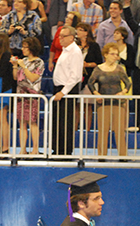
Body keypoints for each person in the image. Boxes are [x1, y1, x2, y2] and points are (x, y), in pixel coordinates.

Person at [87, 43, 131, 157]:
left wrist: (122, 92)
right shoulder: (98, 69)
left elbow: (128, 83)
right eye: (112, 54)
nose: (115, 56)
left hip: (118, 103)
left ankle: (123, 155)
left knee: (119, 130)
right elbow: (90, 83)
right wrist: (96, 94)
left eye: (116, 54)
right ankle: (102, 155)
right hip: (103, 103)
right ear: (105, 55)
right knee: (103, 130)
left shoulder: (119, 69)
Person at [52, 25, 83, 156]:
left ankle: (64, 150)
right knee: (58, 121)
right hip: (60, 88)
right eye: (59, 36)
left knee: (65, 121)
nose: (60, 39)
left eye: (63, 36)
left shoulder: (75, 52)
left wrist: (63, 92)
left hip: (66, 89)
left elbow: (75, 75)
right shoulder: (65, 50)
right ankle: (58, 149)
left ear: (71, 37)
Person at [11, 36, 44, 155]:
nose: (23, 49)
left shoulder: (39, 62)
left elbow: (33, 78)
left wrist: (24, 67)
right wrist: (15, 66)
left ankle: (35, 149)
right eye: (23, 46)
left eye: (25, 47)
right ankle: (23, 149)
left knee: (32, 122)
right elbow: (16, 78)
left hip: (32, 95)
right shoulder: (23, 60)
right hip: (21, 94)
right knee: (22, 122)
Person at [76, 22, 102, 140]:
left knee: (88, 106)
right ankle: (75, 128)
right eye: (78, 30)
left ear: (87, 33)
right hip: (76, 78)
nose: (79, 32)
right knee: (76, 105)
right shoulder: (74, 45)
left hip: (89, 78)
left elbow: (99, 62)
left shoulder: (94, 46)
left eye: (81, 30)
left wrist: (88, 64)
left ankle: (87, 130)